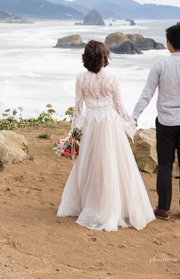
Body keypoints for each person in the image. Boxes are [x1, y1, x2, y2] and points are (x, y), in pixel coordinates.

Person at [57, 40, 156, 231]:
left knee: (90, 165)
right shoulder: (112, 79)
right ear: (104, 58)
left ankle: (90, 203)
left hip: (91, 125)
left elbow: (78, 110)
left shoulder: (80, 79)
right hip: (109, 126)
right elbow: (119, 108)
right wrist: (131, 121)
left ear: (86, 58)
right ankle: (111, 206)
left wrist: (74, 133)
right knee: (112, 165)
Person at [132, 22, 180, 221]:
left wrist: (135, 114)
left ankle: (163, 209)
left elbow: (147, 93)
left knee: (165, 165)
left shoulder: (160, 65)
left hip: (165, 123)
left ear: (168, 43)